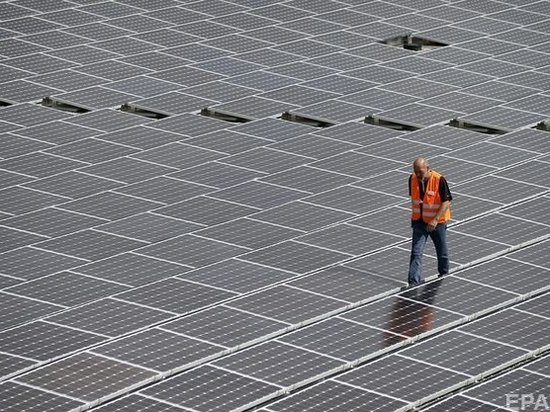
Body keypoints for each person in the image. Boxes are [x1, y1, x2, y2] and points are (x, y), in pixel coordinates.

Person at [407, 158, 452, 286]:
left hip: (437, 223)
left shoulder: (439, 180)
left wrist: (435, 220)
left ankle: (444, 275)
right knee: (416, 252)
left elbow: (446, 202)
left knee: (441, 251)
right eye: (416, 171)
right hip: (419, 221)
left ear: (428, 168)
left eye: (420, 171)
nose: (418, 174)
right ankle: (413, 283)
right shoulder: (412, 179)